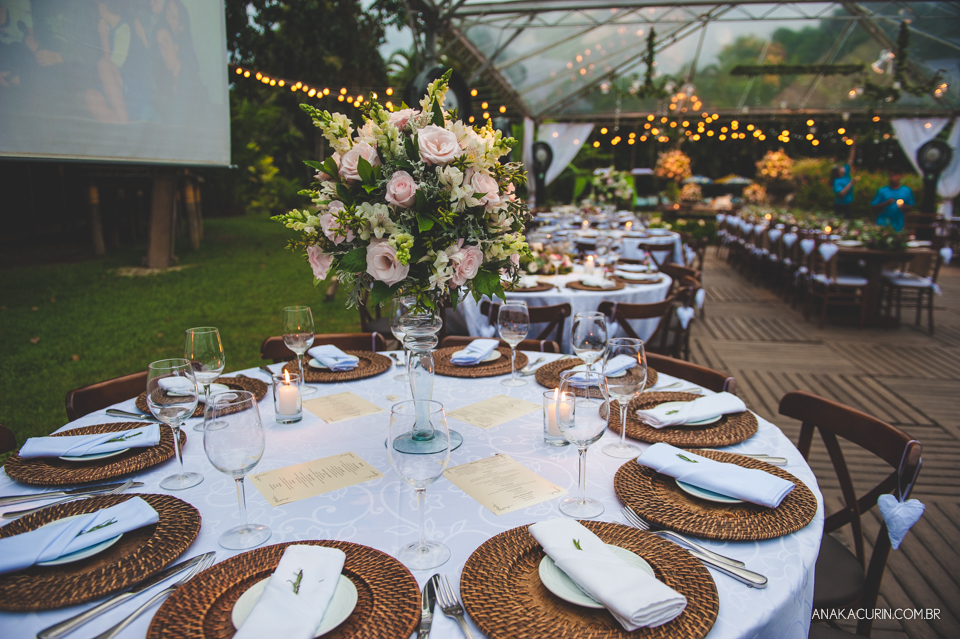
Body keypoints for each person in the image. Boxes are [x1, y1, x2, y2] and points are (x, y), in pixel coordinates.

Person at [832, 139, 856, 219]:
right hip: (840, 205)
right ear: (838, 172)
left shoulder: (846, 174)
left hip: (848, 204)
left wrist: (854, 144)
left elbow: (850, 159)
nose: (843, 168)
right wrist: (851, 183)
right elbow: (842, 193)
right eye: (841, 168)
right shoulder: (837, 181)